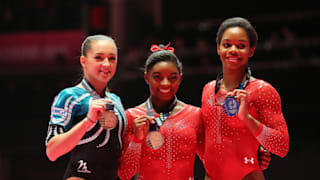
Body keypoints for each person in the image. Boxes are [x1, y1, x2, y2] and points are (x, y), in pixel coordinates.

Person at [201, 17, 289, 180]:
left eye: (241, 46)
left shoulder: (262, 91)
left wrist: (247, 119)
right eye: (227, 45)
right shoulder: (208, 90)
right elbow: (207, 141)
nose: (233, 50)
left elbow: (282, 146)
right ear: (218, 48)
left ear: (251, 50)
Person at [45, 35, 127, 180]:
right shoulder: (69, 96)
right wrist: (88, 121)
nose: (107, 64)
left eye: (112, 58)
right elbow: (52, 152)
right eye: (99, 58)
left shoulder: (116, 100)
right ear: (84, 61)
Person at [118, 43, 205, 180]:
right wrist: (137, 140)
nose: (165, 83)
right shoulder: (132, 116)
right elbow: (125, 174)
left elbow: (213, 163)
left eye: (172, 78)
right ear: (147, 77)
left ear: (180, 79)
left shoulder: (195, 115)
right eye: (157, 77)